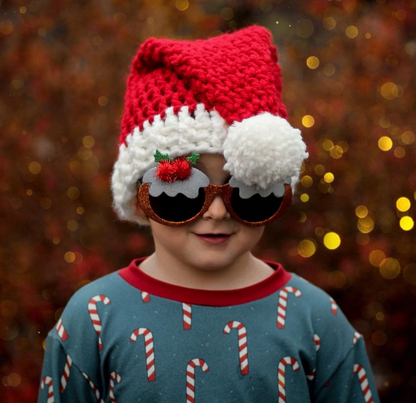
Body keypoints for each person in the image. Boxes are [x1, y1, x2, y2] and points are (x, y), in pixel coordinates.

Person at [38, 26, 380, 402]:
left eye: (247, 189)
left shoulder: (316, 319)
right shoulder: (94, 319)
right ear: (138, 198)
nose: (217, 211)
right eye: (180, 189)